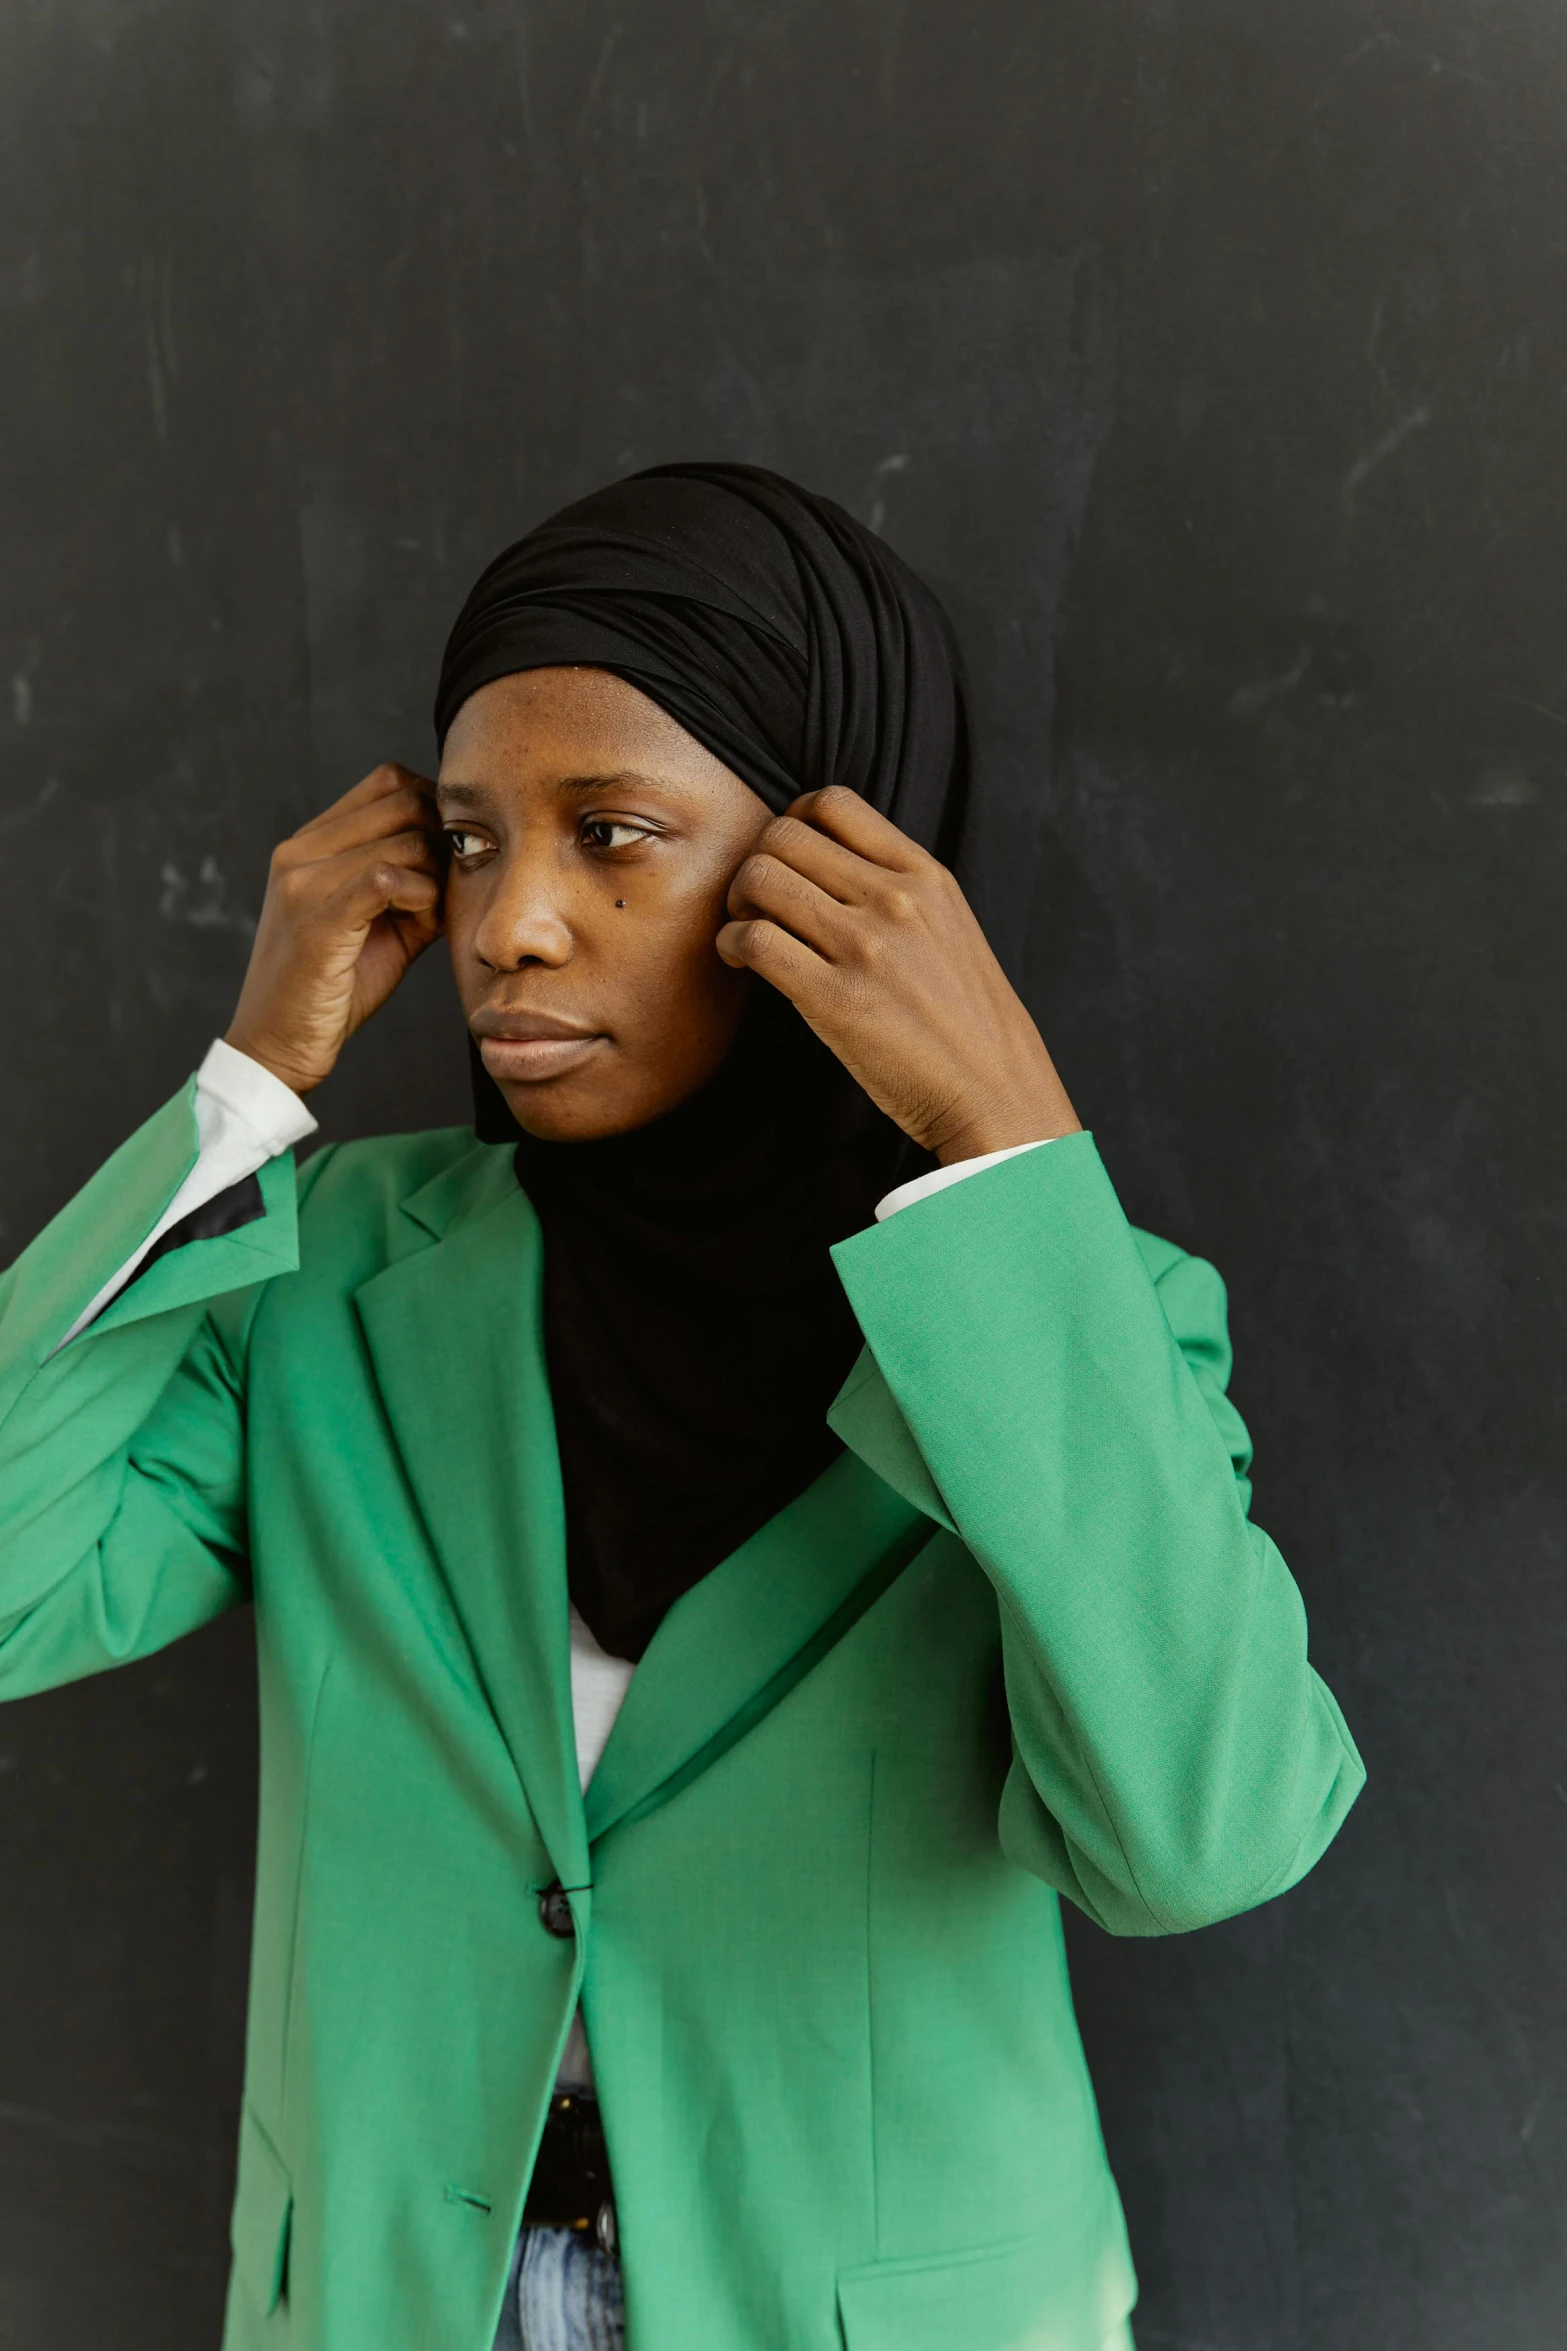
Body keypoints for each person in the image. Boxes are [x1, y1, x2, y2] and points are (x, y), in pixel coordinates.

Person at [0, 463, 1363, 2351]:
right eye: (471, 842)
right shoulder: (329, 1274)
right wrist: (244, 1090)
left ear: (833, 875)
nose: (511, 925)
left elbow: (1195, 1836)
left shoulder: (1067, 1321)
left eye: (611, 831)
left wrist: (998, 1149)